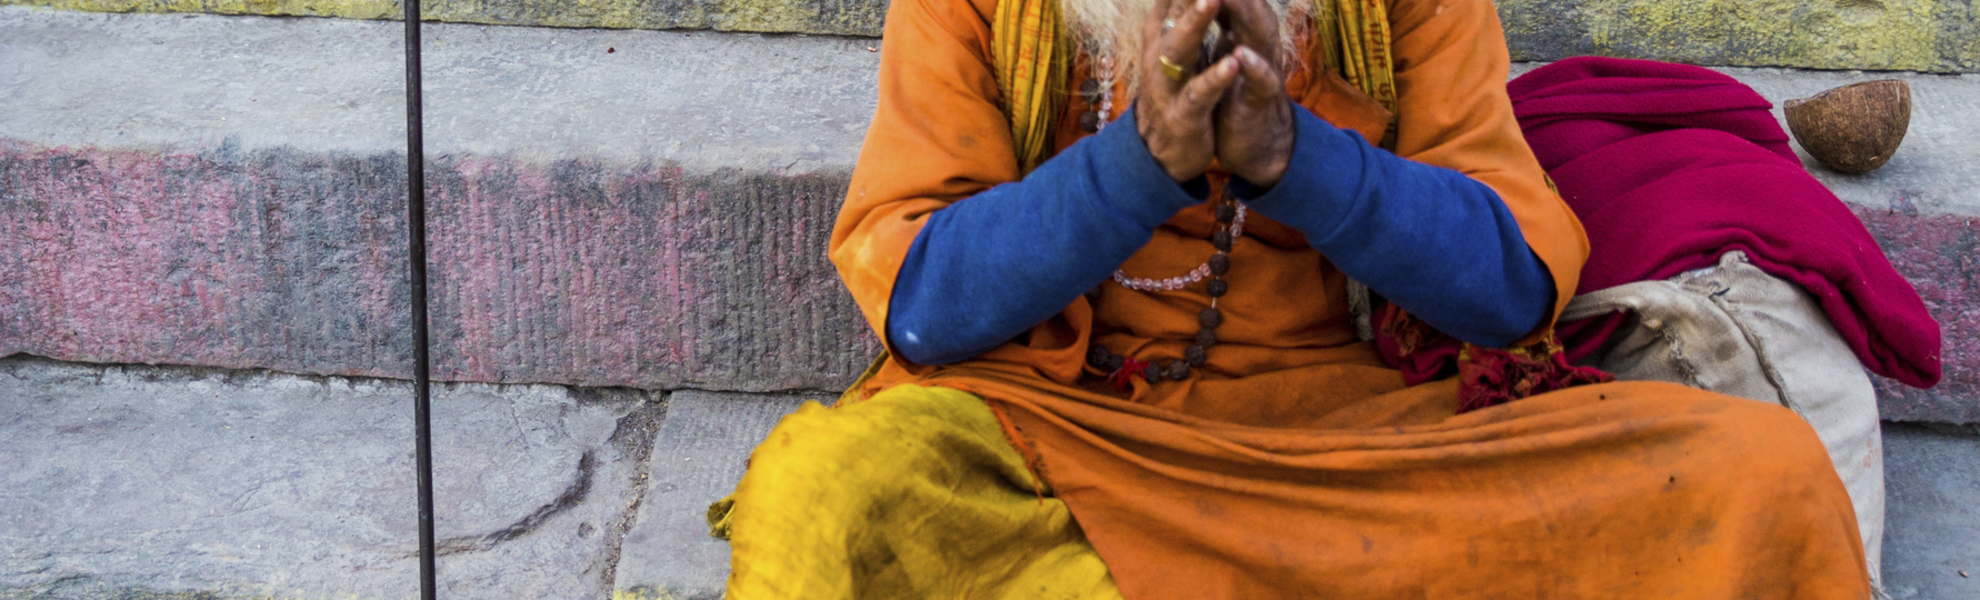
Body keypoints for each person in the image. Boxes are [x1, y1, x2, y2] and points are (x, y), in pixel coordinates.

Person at [708, 0, 1874, 595]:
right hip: (1064, 434)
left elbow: (1511, 288)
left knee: (1757, 473)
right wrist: (1139, 165)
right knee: (828, 494)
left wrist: (1291, 157)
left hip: (1368, 445)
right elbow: (924, 306)